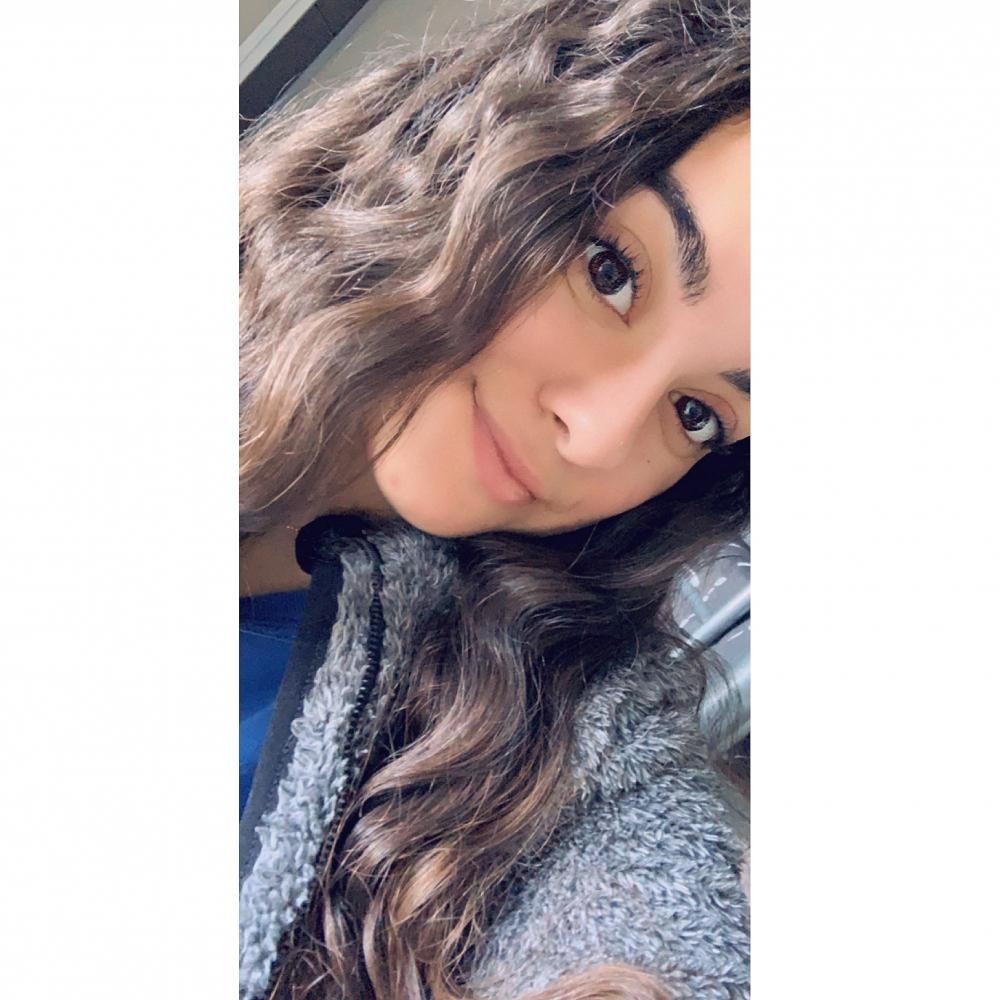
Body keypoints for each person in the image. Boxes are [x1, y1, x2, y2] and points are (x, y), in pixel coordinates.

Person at [239, 1, 750, 997]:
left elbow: (638, 904)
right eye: (611, 273)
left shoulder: (554, 718)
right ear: (494, 152)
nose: (596, 434)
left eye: (696, 415)